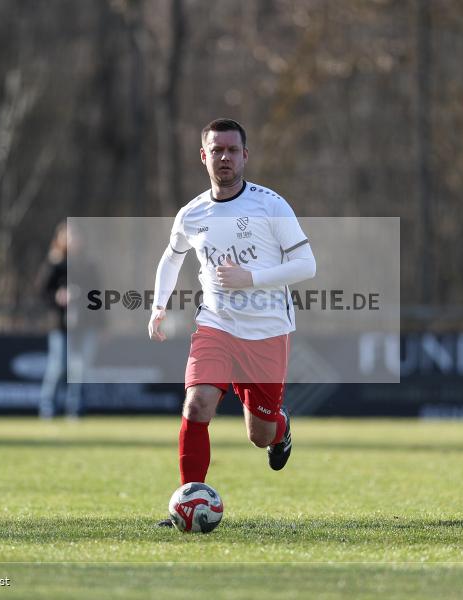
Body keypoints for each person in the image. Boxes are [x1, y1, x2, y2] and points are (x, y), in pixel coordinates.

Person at [148, 118, 316, 526]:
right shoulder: (192, 214)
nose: (224, 157)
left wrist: (250, 278)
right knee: (196, 404)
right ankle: (188, 502)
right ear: (203, 156)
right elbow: (172, 257)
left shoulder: (270, 205)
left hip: (267, 331)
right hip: (216, 324)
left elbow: (306, 265)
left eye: (232, 150)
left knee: (260, 434)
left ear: (245, 156)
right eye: (216, 150)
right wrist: (158, 306)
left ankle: (281, 428)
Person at [36, 222, 82, 419]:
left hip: (81, 326)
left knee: (78, 369)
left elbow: (97, 294)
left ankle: (75, 408)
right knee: (58, 366)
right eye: (68, 236)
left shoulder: (85, 264)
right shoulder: (53, 264)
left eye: (75, 236)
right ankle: (47, 406)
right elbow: (42, 292)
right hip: (59, 325)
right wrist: (57, 296)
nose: (72, 240)